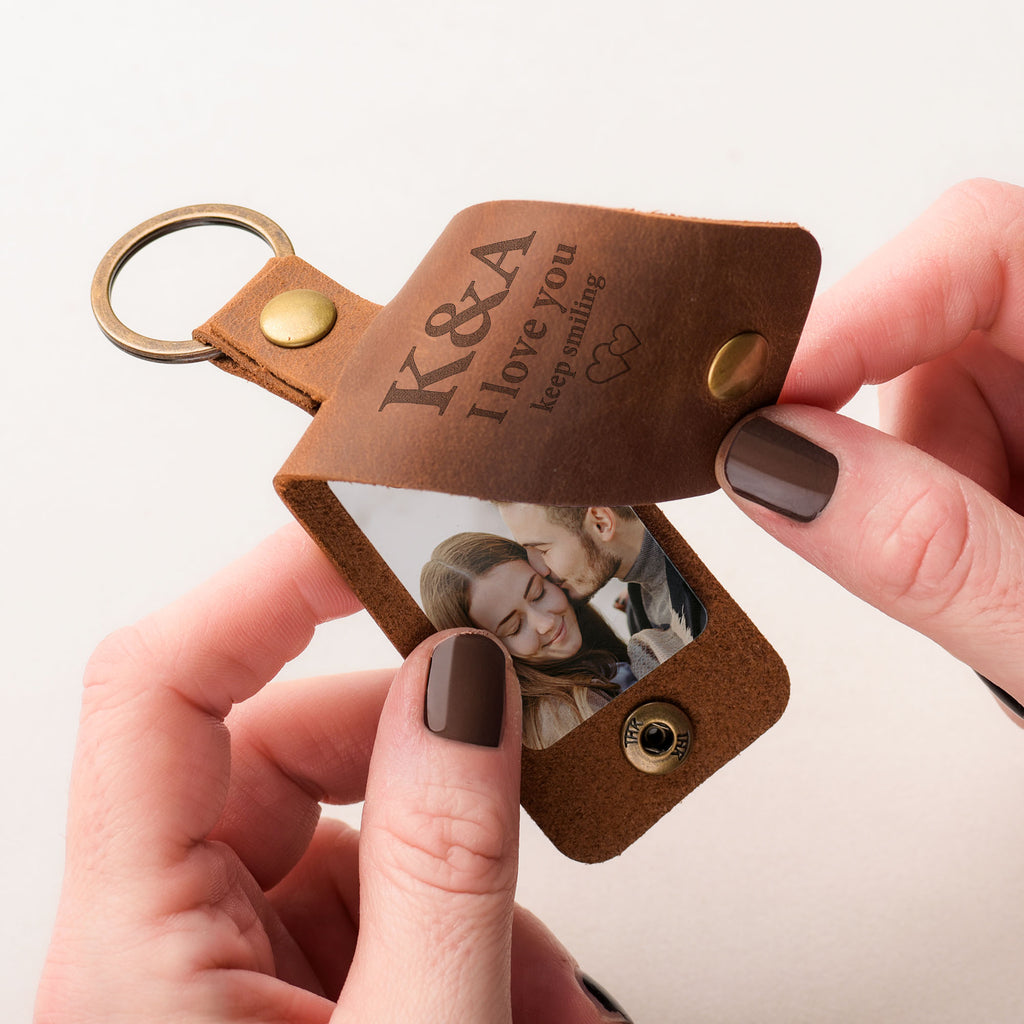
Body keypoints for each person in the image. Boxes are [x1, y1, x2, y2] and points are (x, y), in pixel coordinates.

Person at [36, 179, 1024, 1022]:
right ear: (482, 643)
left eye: (539, 588)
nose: (546, 615)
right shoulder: (545, 708)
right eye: (510, 625)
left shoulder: (638, 609)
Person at [420, 532, 635, 749]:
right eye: (514, 627)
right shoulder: (563, 715)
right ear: (490, 655)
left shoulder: (590, 661)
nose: (545, 623)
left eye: (538, 593)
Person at [497, 503, 707, 666]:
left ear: (601, 523)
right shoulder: (640, 610)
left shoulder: (707, 579)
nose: (539, 570)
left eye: (542, 550)